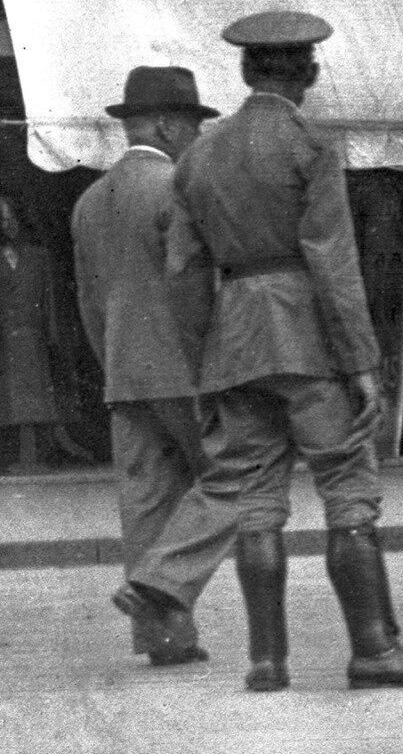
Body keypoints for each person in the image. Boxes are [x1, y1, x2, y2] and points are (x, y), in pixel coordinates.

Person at [162, 11, 403, 693]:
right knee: (348, 489)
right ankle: (373, 651)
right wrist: (363, 363)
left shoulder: (198, 155)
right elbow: (334, 261)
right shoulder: (309, 147)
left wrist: (205, 360)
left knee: (255, 500)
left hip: (233, 343)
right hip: (306, 338)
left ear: (243, 71)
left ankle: (267, 659)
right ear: (311, 72)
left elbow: (181, 271)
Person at [71, 67, 238, 667]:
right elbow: (200, 289)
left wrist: (116, 362)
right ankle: (159, 581)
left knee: (146, 502)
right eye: (194, 125)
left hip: (123, 373)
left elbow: (89, 301)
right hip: (185, 371)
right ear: (169, 125)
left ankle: (164, 641)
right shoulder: (179, 188)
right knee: (236, 478)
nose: (196, 137)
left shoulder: (89, 202)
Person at [0, 195, 92, 469]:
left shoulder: (38, 257)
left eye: (8, 218)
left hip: (32, 338)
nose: (5, 225)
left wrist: (53, 338)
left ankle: (38, 456)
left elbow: (50, 300)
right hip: (3, 340)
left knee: (37, 398)